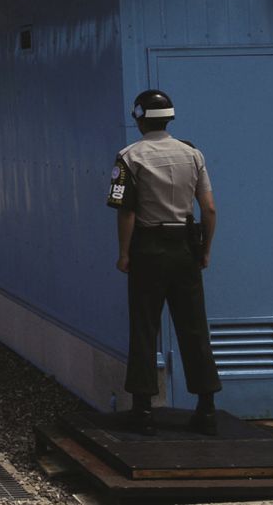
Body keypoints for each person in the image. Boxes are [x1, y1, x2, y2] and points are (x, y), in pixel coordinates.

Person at [108, 88, 222, 435]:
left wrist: (125, 253)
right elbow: (210, 208)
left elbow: (125, 210)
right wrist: (205, 250)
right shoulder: (193, 154)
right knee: (194, 327)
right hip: (185, 247)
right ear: (169, 117)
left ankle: (143, 409)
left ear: (139, 118)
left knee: (144, 326)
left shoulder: (128, 157)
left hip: (148, 247)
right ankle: (206, 407)